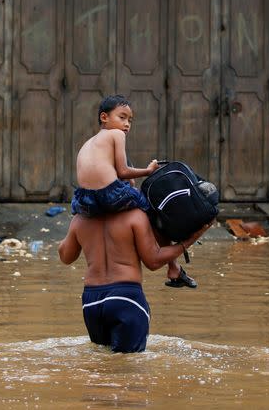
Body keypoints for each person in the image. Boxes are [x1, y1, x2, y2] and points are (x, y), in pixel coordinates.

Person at [71, 94, 196, 288]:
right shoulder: (116, 135)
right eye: (122, 117)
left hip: (84, 199)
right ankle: (174, 268)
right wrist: (148, 170)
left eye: (130, 120)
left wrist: (127, 179)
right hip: (110, 194)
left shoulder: (89, 143)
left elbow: (108, 171)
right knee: (153, 212)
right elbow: (122, 170)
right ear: (104, 117)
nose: (127, 124)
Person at [58, 209, 212, 353]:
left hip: (91, 302)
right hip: (126, 299)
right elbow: (154, 261)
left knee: (102, 364)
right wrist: (189, 240)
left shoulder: (81, 219)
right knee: (130, 368)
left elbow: (65, 257)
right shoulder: (135, 216)